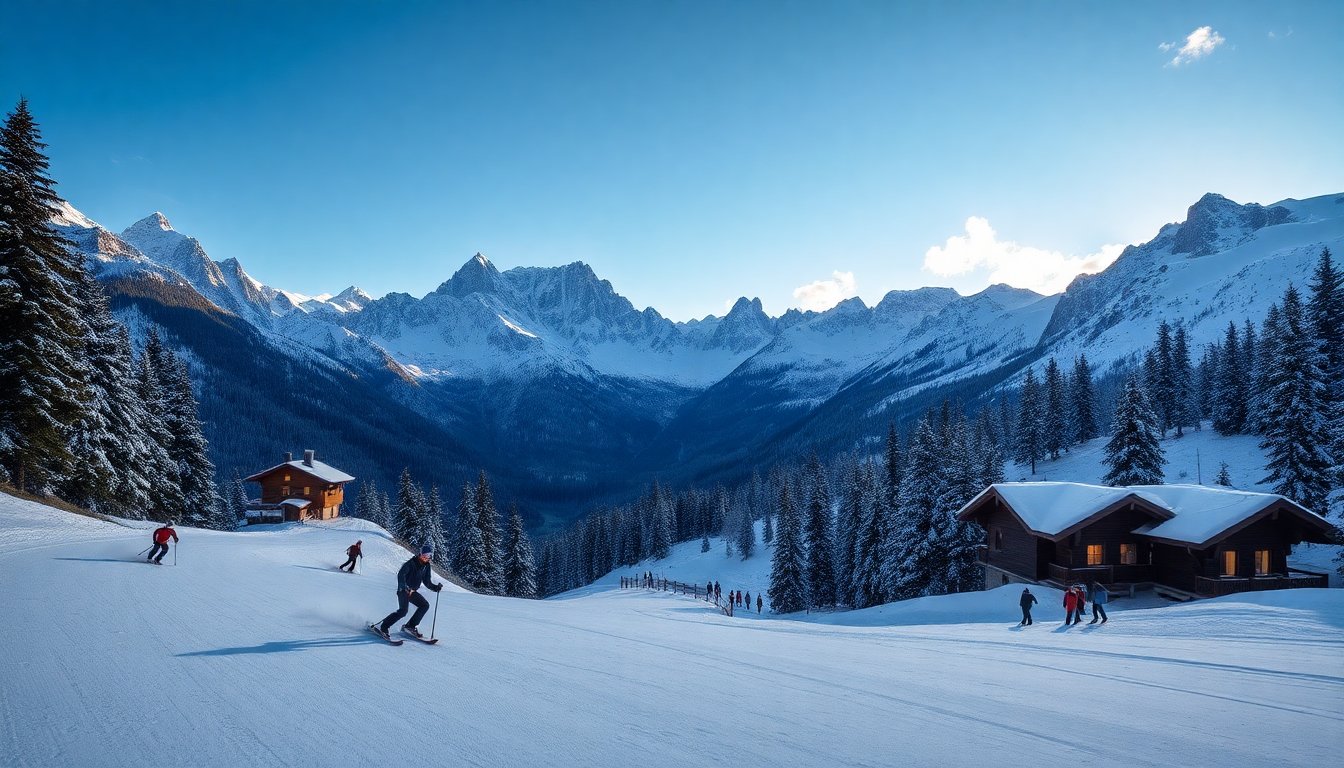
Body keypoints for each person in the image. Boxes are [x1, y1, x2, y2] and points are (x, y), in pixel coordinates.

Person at [375, 544, 443, 639]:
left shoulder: (426, 566)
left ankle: (410, 626)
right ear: (420, 554)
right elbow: (401, 575)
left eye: (428, 556)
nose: (426, 557)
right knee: (403, 611)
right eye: (424, 555)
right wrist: (404, 587)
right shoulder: (411, 563)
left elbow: (427, 581)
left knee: (424, 605)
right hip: (403, 590)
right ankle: (382, 626)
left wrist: (435, 588)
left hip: (412, 591)